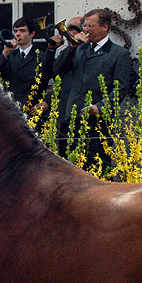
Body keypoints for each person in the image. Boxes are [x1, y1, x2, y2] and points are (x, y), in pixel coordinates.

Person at [53, 9, 131, 169]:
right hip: (74, 117)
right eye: (85, 26)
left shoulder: (118, 53)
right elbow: (58, 71)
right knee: (72, 167)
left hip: (99, 122)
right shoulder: (79, 49)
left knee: (98, 166)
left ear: (105, 27)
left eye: (91, 26)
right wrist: (71, 47)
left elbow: (121, 87)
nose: (85, 30)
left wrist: (101, 106)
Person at [0, 16, 59, 114]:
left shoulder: (41, 56)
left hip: (33, 111)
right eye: (16, 31)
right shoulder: (9, 56)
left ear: (32, 34)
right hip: (11, 111)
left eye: (22, 31)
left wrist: (47, 102)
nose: (18, 34)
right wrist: (5, 53)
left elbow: (55, 80)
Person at [54, 16, 82, 157]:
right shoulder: (67, 50)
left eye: (75, 29)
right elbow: (56, 72)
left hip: (83, 113)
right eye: (67, 29)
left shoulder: (91, 50)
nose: (69, 32)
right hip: (65, 112)